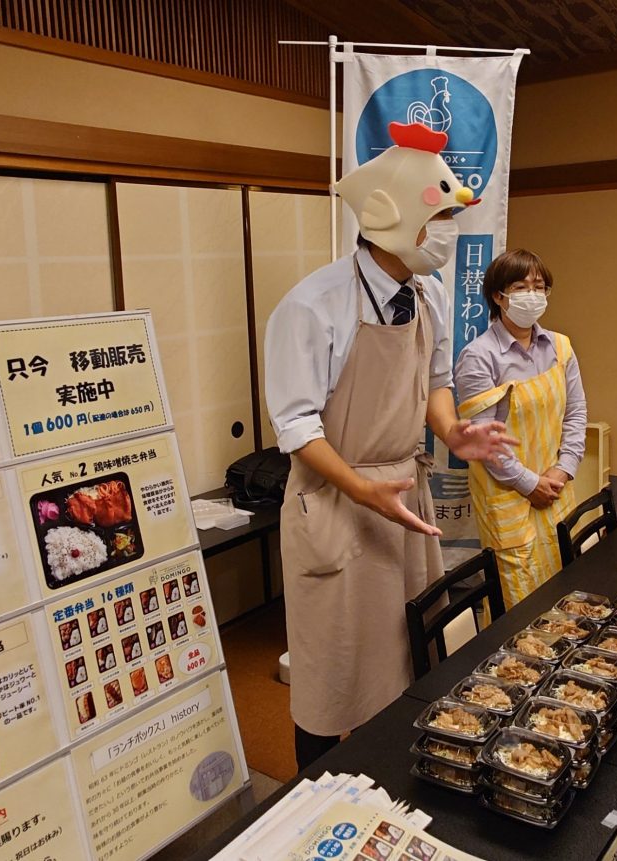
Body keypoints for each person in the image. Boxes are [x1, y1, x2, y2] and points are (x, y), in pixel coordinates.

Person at [265, 121, 516, 771]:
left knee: (407, 655)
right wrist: (361, 488)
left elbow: (432, 381)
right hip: (339, 505)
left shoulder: (426, 292)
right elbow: (294, 426)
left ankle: (396, 788)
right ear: (392, 219)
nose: (450, 232)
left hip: (404, 496)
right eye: (441, 216)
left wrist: (453, 431)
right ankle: (314, 798)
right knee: (333, 676)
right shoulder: (312, 306)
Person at [454, 249, 587, 606]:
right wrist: (529, 483)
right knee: (519, 597)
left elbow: (575, 412)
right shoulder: (479, 357)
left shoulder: (560, 346)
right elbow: (485, 440)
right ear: (499, 296)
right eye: (521, 286)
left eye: (539, 286)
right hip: (508, 494)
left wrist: (564, 468)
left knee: (566, 587)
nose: (533, 294)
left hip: (556, 487)